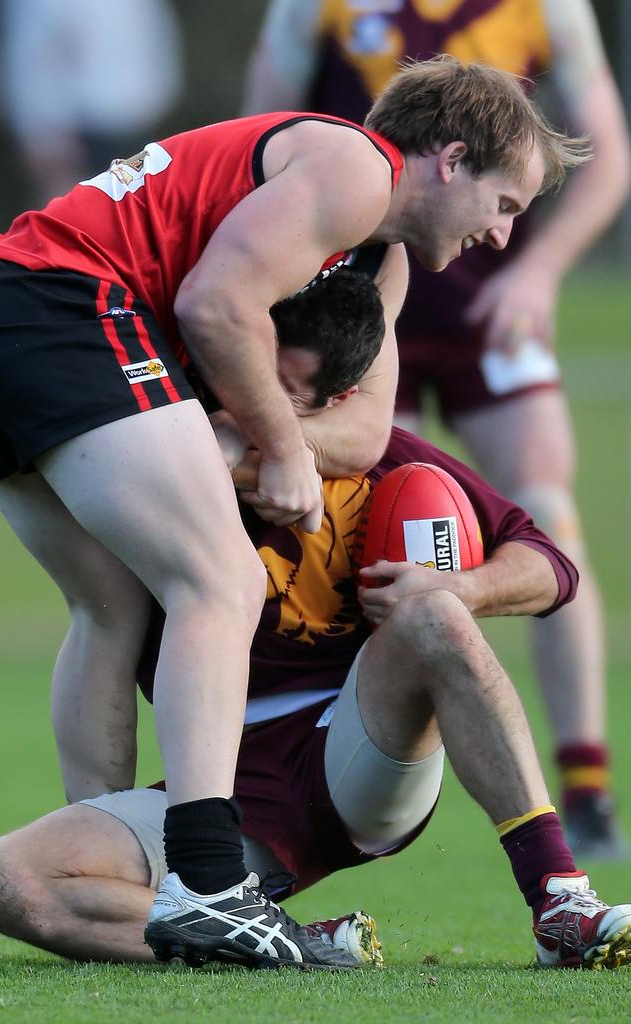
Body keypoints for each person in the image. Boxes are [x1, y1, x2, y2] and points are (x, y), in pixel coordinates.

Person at [0, 56, 587, 970]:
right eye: (504, 204)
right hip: (62, 305)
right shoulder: (357, 168)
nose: (503, 237)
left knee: (108, 607)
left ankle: (124, 848)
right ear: (452, 159)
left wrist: (264, 442)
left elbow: (358, 428)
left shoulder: (376, 251)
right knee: (220, 581)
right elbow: (215, 303)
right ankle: (206, 881)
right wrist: (274, 447)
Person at [0, 337, 631, 970]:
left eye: (282, 393)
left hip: (359, 745)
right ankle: (293, 947)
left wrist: (461, 585)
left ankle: (559, 901)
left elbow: (552, 565)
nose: (253, 409)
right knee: (5, 881)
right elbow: (97, 617)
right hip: (220, 787)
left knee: (434, 614)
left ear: (339, 400)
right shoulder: (160, 473)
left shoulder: (386, 461)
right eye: (242, 382)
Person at [242, 0, 631, 860]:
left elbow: (608, 155)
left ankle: (588, 786)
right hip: (357, 314)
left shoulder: (550, 8)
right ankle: (347, 744)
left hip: (489, 311)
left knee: (542, 516)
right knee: (356, 522)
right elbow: (260, 129)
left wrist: (538, 273)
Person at [0, 0, 184, 205]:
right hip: (80, 131)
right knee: (72, 221)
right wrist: (39, 130)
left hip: (136, 126)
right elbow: (32, 56)